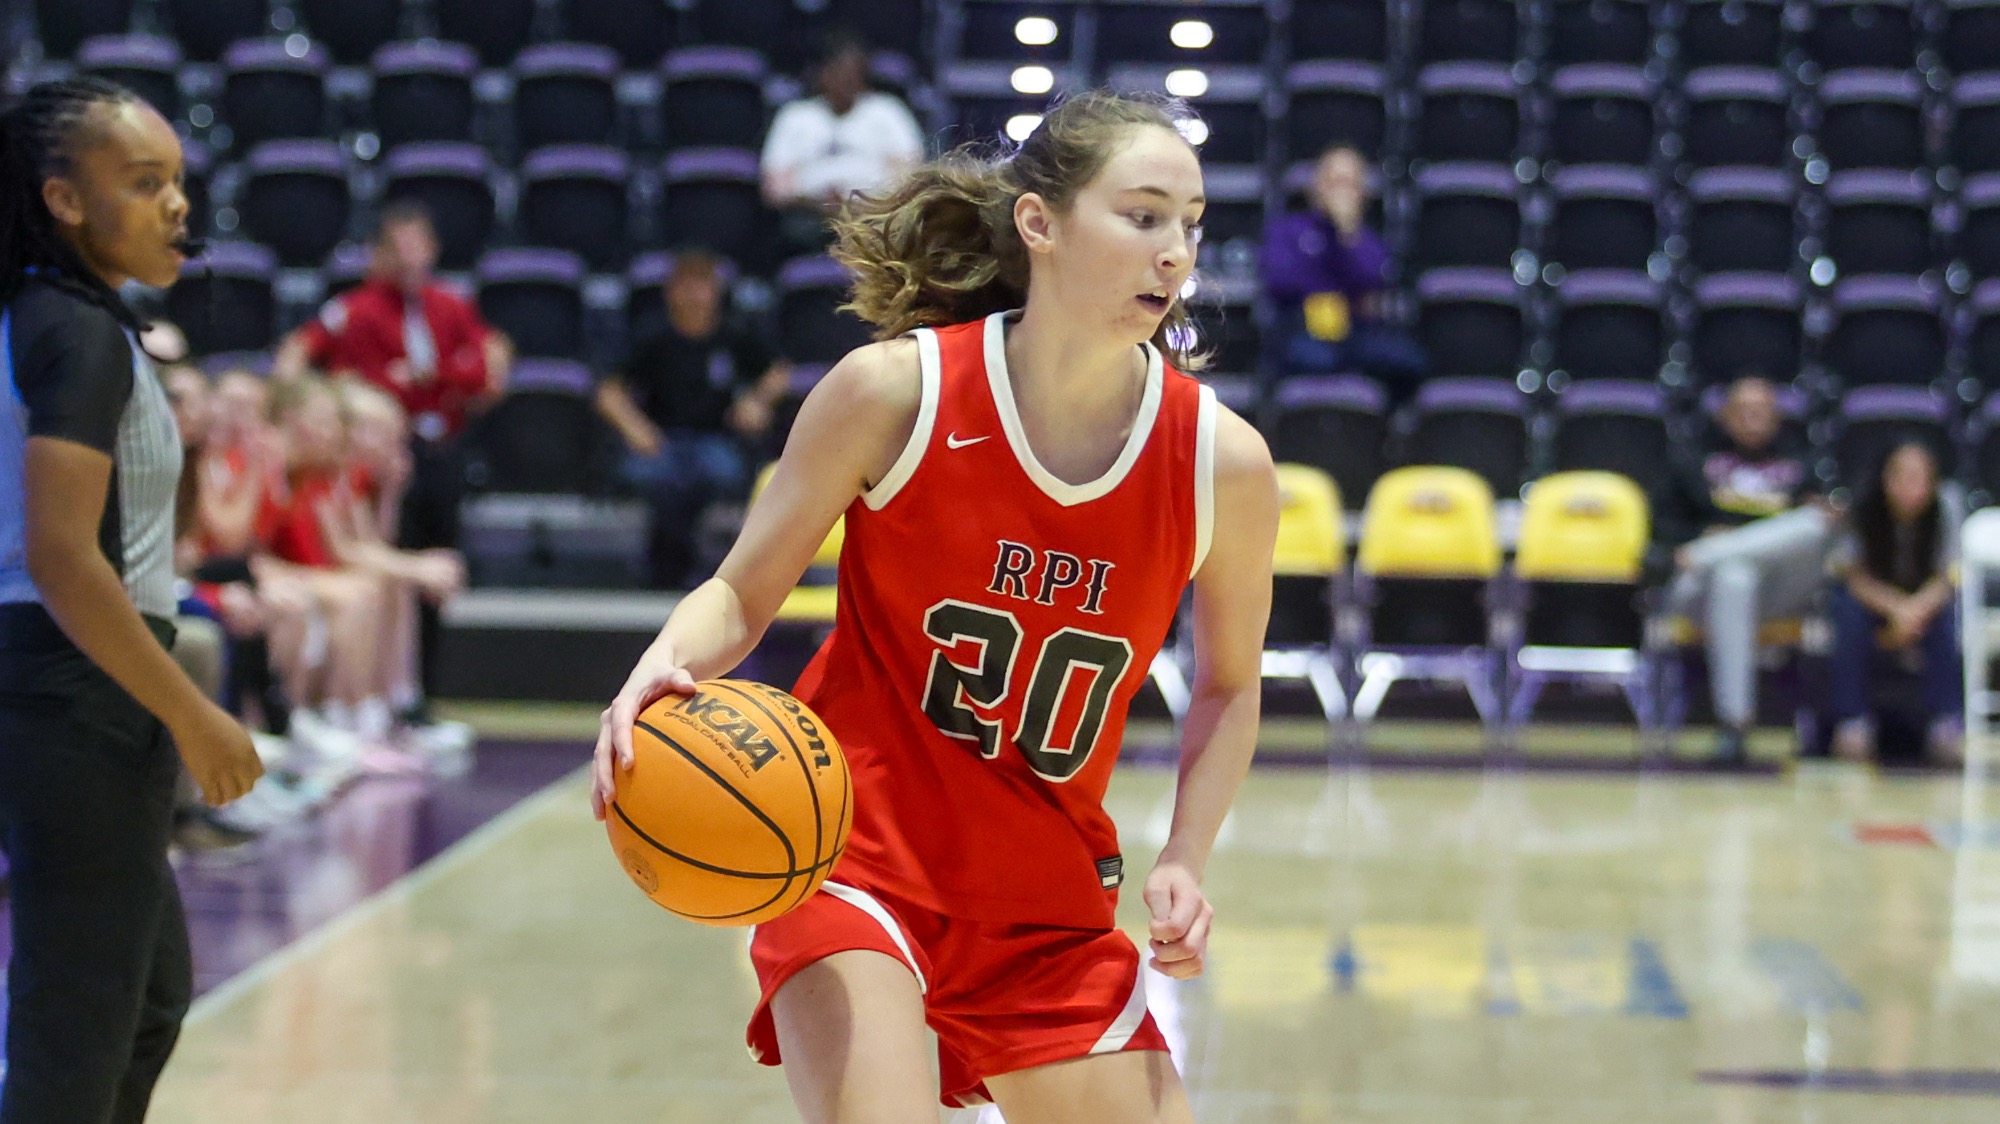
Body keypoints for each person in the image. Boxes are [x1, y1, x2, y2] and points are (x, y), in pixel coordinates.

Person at [592, 90, 1279, 1122]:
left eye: (1189, 223)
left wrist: (1184, 853)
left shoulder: (1219, 462)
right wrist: (662, 658)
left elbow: (1226, 684)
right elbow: (740, 589)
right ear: (1038, 224)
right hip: (850, 856)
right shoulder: (894, 394)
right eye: (1140, 216)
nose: (1174, 251)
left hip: (1044, 901)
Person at [0, 78, 263, 1123]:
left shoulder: (71, 319)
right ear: (64, 200)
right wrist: (192, 712)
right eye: (143, 182)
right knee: (79, 1022)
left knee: (145, 997)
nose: (175, 207)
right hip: (77, 693)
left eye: (178, 183)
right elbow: (63, 557)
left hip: (81, 686)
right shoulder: (72, 329)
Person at [272, 202, 504, 728]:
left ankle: (413, 696)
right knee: (393, 561)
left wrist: (440, 380)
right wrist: (291, 403)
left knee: (428, 574)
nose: (407, 258)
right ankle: (361, 704)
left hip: (434, 449)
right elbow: (299, 347)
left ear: (433, 250)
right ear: (377, 253)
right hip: (375, 448)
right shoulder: (354, 308)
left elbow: (482, 368)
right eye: (396, 247)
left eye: (416, 246)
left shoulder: (451, 306)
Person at [1656, 374, 1833, 763]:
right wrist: (1699, 534)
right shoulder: (1692, 459)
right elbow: (1663, 530)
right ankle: (1734, 725)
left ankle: (1715, 552)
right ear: (1725, 417)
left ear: (1776, 418)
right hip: (1701, 591)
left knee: (1817, 524)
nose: (1753, 419)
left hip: (1778, 588)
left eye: (1762, 411)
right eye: (1743, 411)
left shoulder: (1801, 461)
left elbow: (1814, 527)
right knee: (1735, 578)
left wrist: (1715, 545)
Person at [594, 250, 790, 588]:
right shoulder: (651, 335)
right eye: (687, 287)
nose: (695, 296)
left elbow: (778, 372)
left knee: (717, 472)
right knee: (663, 480)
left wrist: (755, 402)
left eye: (703, 286)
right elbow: (607, 390)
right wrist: (635, 428)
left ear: (716, 291)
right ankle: (667, 570)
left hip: (716, 438)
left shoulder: (734, 334)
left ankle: (700, 568)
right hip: (662, 439)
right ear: (671, 291)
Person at [1828, 441, 1962, 764]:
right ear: (1885, 479)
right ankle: (1853, 722)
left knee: (1947, 621)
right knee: (1846, 612)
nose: (1910, 487)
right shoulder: (1861, 506)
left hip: (1924, 601)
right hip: (1873, 601)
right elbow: (1852, 575)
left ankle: (1945, 724)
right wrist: (1897, 609)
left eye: (1920, 478)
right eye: (1902, 477)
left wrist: (1915, 610)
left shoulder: (1947, 506)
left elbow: (1950, 575)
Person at [1260, 143, 1426, 402]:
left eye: (1348, 183)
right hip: (1302, 326)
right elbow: (1279, 279)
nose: (1340, 192)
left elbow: (1375, 281)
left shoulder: (1366, 241)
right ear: (1315, 187)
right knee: (1312, 358)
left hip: (1357, 330)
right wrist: (1329, 285)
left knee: (1406, 361)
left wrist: (1346, 236)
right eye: (1333, 182)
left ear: (1363, 192)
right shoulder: (1288, 231)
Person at [761, 30, 925, 260]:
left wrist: (860, 205)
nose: (846, 81)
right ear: (822, 74)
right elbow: (773, 189)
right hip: (810, 217)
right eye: (839, 72)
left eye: (853, 73)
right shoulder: (795, 116)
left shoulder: (888, 112)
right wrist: (822, 204)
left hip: (875, 216)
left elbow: (911, 177)